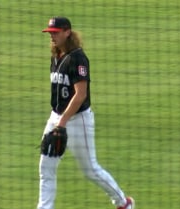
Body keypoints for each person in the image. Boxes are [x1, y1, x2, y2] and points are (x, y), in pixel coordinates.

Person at [37, 17, 135, 209]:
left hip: (77, 119)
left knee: (90, 169)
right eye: (50, 33)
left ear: (67, 32)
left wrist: (62, 123)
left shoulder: (78, 58)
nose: (52, 36)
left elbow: (80, 95)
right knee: (46, 167)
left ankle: (124, 203)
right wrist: (57, 120)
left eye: (55, 32)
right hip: (56, 116)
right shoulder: (56, 55)